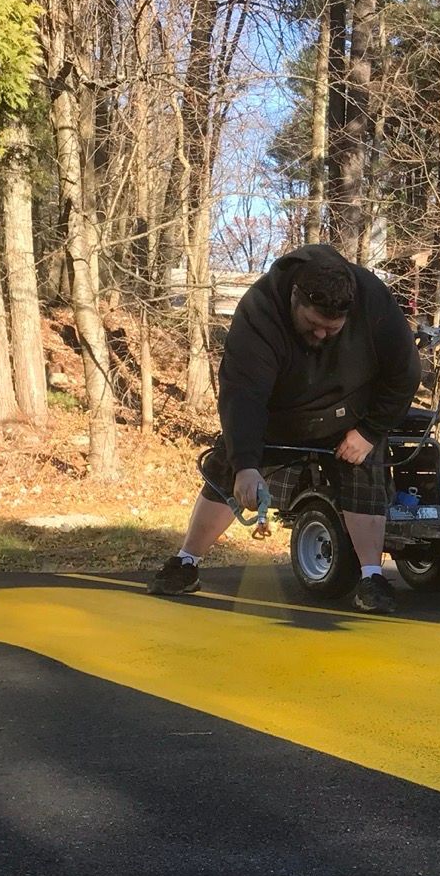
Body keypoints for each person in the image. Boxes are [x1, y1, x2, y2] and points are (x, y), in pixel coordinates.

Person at [148, 243, 421, 614]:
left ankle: (372, 579)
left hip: (349, 418)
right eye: (314, 325)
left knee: (366, 471)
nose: (323, 336)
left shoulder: (372, 300)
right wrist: (245, 464)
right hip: (277, 416)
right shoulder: (259, 311)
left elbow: (405, 374)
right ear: (295, 297)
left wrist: (370, 431)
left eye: (332, 330)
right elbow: (242, 395)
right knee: (226, 467)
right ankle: (185, 563)